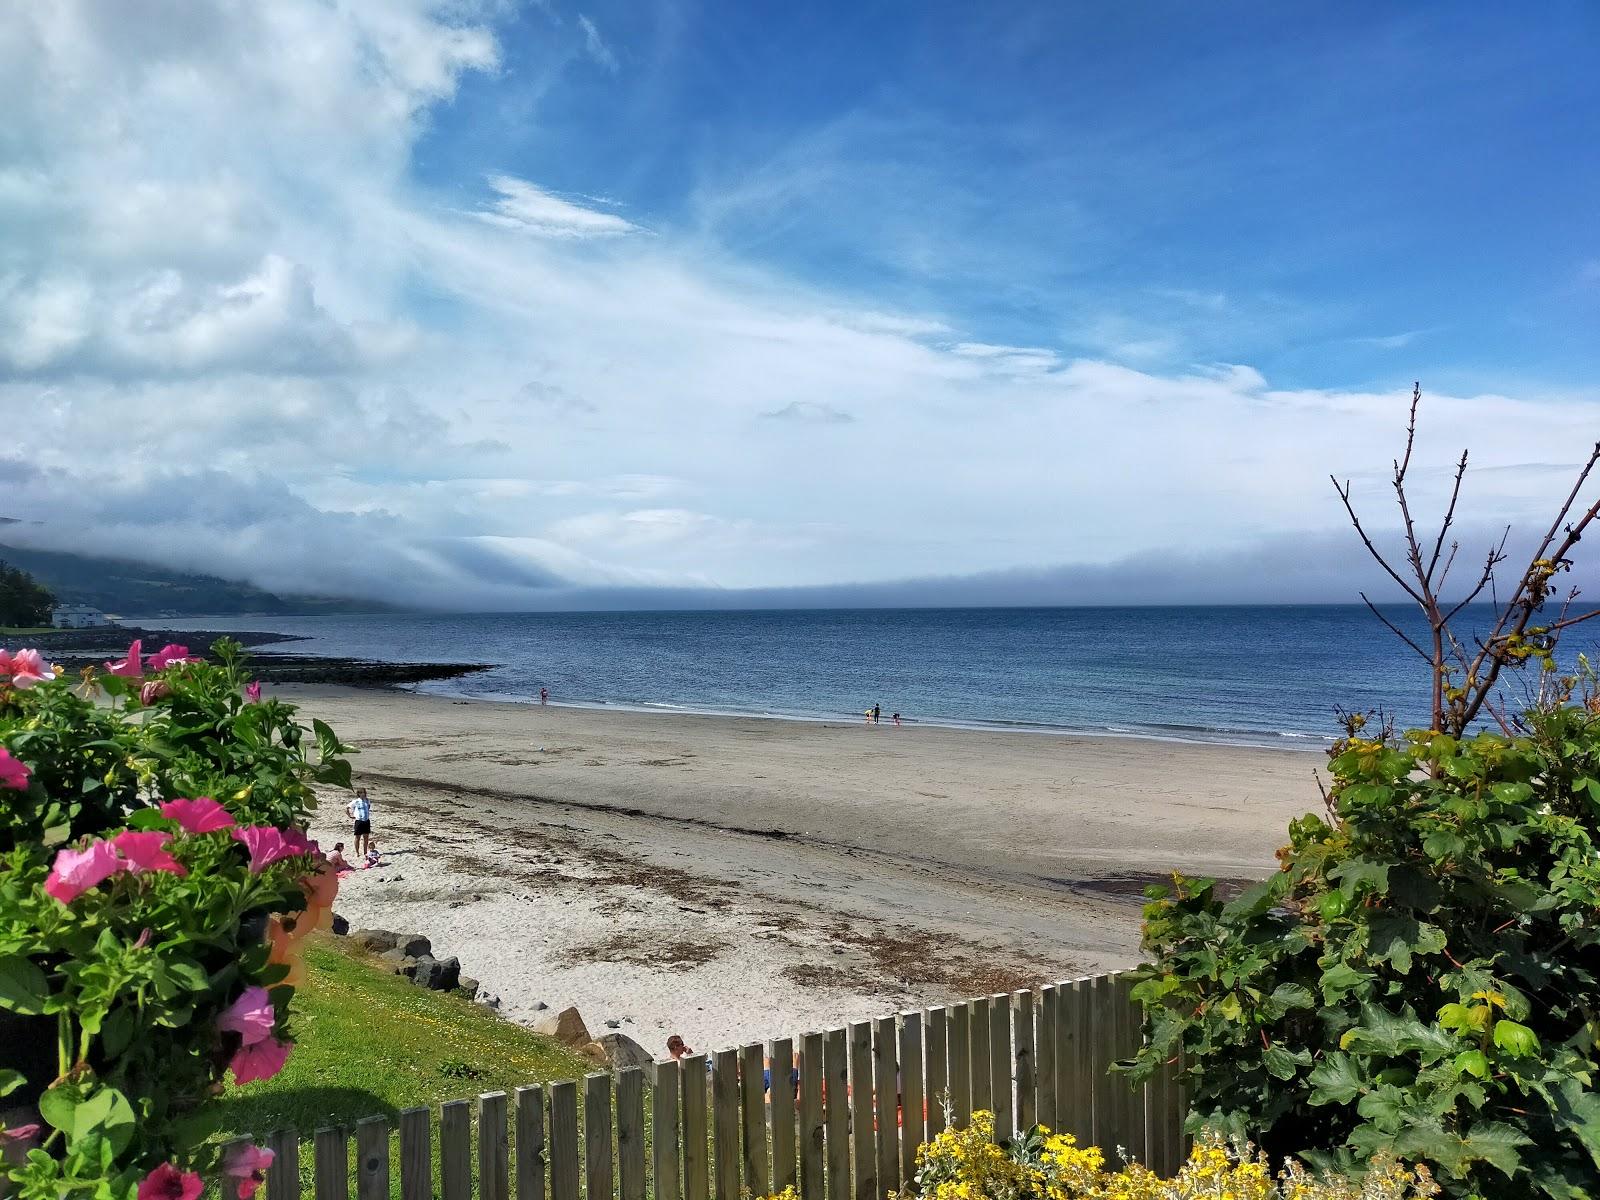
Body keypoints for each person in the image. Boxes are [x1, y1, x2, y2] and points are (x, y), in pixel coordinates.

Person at [346, 787, 373, 858]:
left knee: (366, 837)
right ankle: (357, 852)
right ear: (359, 794)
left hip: (366, 821)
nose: (363, 794)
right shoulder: (355, 801)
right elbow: (347, 808)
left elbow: (368, 807)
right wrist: (350, 816)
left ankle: (365, 852)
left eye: (364, 792)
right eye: (362, 793)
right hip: (359, 821)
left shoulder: (367, 800)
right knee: (357, 837)